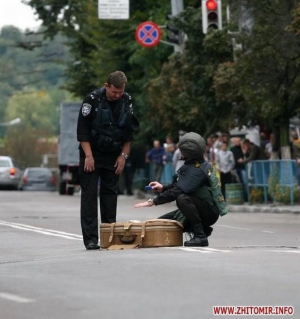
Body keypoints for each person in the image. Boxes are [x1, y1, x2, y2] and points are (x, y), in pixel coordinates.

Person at [77, 71, 139, 250]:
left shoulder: (126, 100)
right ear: (106, 86)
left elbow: (129, 133)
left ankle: (109, 235)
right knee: (89, 197)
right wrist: (88, 156)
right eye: (114, 92)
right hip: (92, 154)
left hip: (113, 156)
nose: (118, 95)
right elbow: (83, 131)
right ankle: (90, 239)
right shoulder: (92, 100)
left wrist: (123, 156)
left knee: (110, 196)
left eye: (121, 92)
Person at [134, 132, 219, 247]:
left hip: (208, 211)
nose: (180, 152)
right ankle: (200, 229)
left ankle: (200, 235)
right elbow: (179, 186)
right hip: (200, 207)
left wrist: (153, 201)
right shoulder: (194, 165)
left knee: (181, 199)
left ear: (189, 152)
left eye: (182, 150)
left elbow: (177, 191)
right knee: (158, 224)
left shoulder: (196, 169)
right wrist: (162, 187)